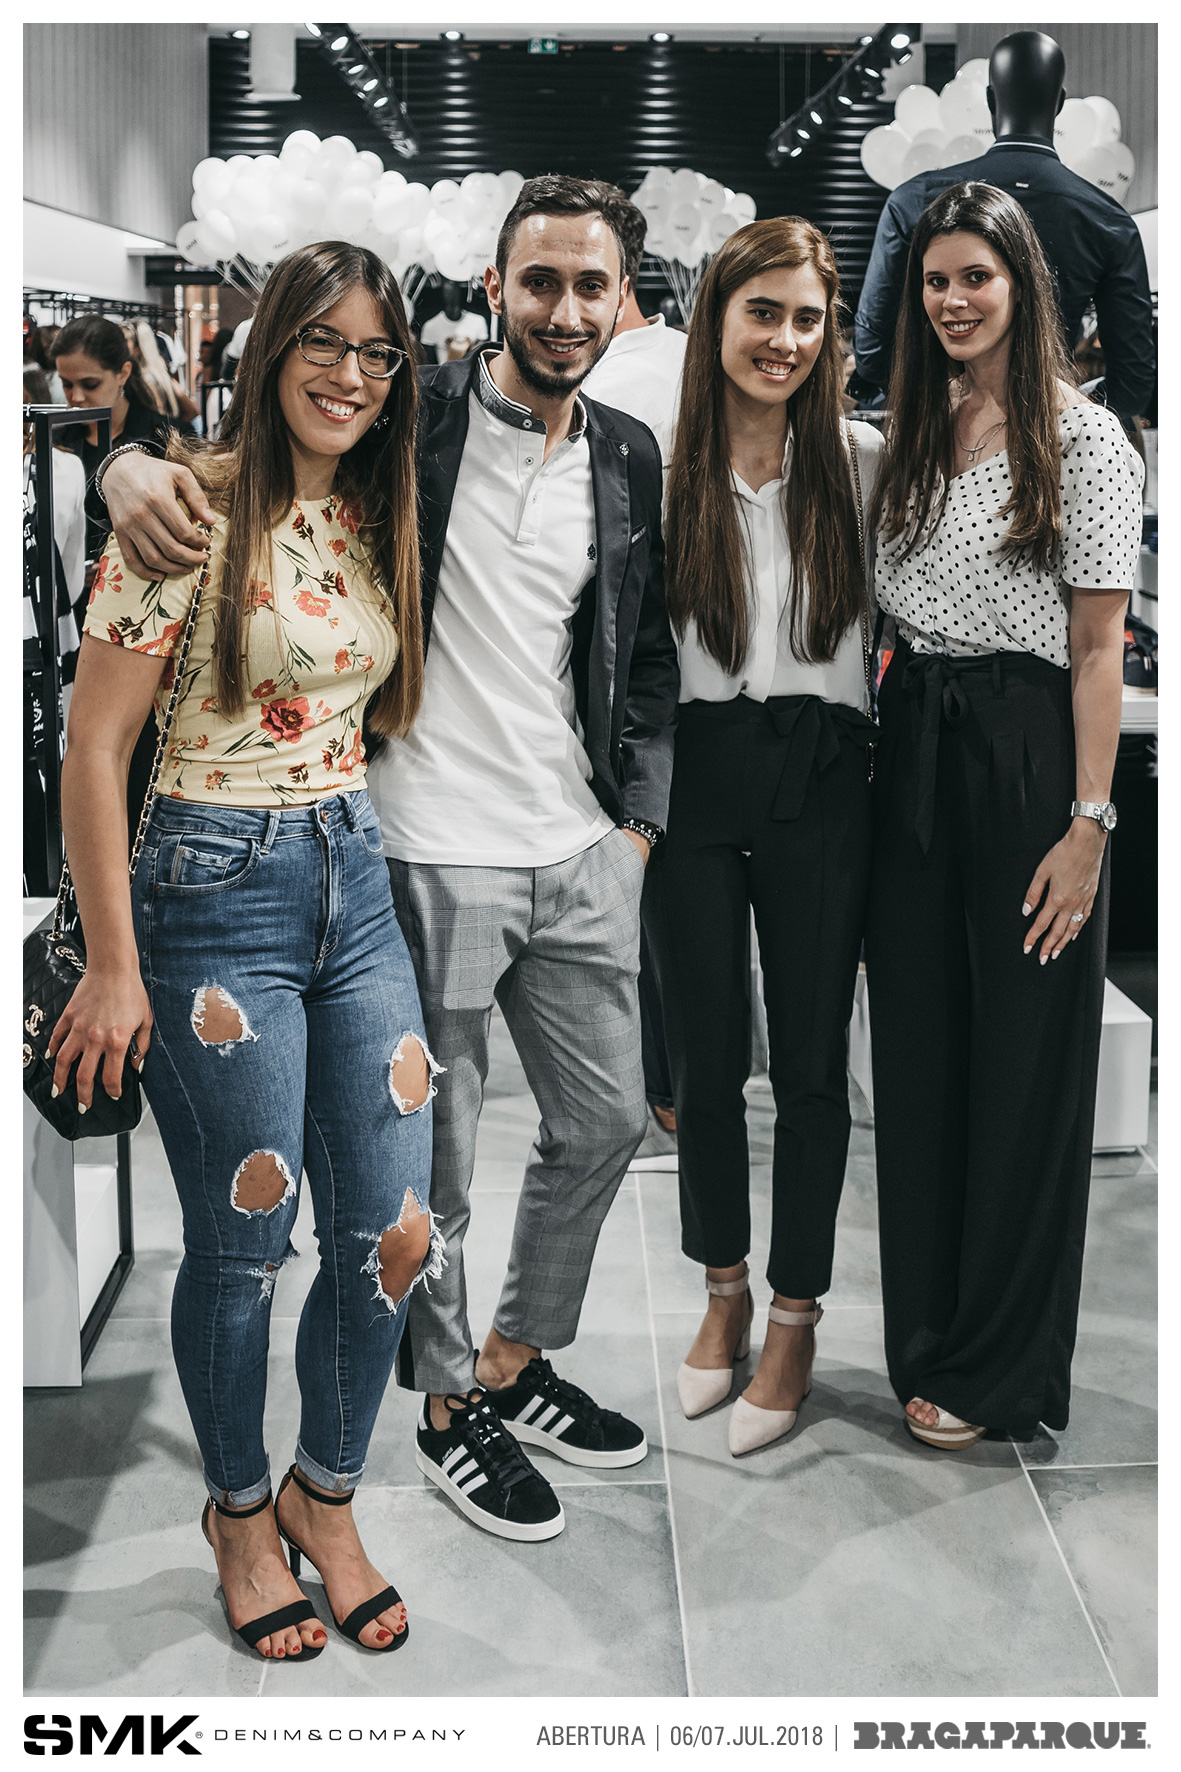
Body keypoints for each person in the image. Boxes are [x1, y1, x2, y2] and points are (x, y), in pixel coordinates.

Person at [92, 177, 679, 1548]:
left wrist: (636, 828)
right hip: (398, 850)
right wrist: (123, 460)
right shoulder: (421, 427)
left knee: (598, 1124)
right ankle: (436, 1409)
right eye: (540, 281)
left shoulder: (620, 452)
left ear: (623, 302)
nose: (564, 309)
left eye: (591, 286)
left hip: (561, 846)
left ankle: (507, 1364)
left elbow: (640, 643)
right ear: (494, 288)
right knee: (392, 1192)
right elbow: (238, 466)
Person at [47, 241, 438, 1662]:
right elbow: (94, 748)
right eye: (322, 341)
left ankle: (322, 1498)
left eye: (376, 352)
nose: (349, 373)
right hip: (210, 892)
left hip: (355, 872)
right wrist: (113, 964)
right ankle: (235, 1513)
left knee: (393, 1231)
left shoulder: (376, 505)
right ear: (271, 347)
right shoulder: (185, 512)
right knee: (245, 1242)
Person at [867, 182, 1142, 1449]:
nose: (951, 299)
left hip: (1026, 755)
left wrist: (1087, 824)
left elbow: (1095, 651)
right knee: (921, 1053)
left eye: (974, 276)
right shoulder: (915, 423)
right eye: (934, 280)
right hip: (913, 744)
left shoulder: (1084, 444)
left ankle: (995, 1364)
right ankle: (925, 1332)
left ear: (1022, 285)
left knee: (1024, 1065)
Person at [643, 216, 884, 1457]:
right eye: (762, 312)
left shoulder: (862, 461)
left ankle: (794, 1313)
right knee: (702, 1056)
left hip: (823, 772)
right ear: (716, 319)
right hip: (693, 772)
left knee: (808, 1064)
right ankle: (722, 1288)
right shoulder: (657, 463)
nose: (783, 339)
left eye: (805, 317)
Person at [853, 31, 1155, 430]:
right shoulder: (1108, 220)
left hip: (938, 435)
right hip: (1051, 437)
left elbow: (873, 352)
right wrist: (1072, 422)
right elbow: (1133, 381)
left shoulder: (913, 200)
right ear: (1059, 104)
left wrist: (939, 413)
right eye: (939, 282)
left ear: (991, 101)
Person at [583, 183, 690, 1173]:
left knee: (650, 901)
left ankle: (660, 1089)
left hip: (635, 683)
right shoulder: (686, 359)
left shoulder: (614, 384)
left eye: (589, 281)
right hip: (688, 673)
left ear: (622, 280)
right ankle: (671, 1087)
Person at [50, 314, 194, 559]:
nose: (76, 397)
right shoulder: (57, 443)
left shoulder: (170, 438)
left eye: (90, 384)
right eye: (66, 384)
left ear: (123, 374)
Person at [418, 280, 489, 362]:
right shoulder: (430, 326)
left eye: (454, 294)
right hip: (444, 369)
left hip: (471, 368)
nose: (452, 298)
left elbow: (482, 354)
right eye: (448, 294)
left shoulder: (478, 321)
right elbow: (428, 361)